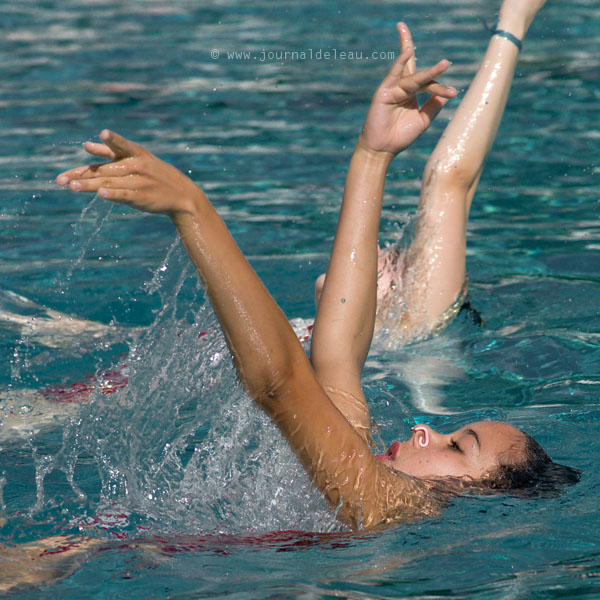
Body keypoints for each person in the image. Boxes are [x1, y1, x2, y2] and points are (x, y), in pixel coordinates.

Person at [0, 0, 579, 592]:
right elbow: (336, 355)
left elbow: (279, 383)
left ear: (475, 497)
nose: (431, 430)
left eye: (459, 447)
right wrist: (372, 155)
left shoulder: (391, 508)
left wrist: (192, 208)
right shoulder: (370, 476)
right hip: (78, 557)